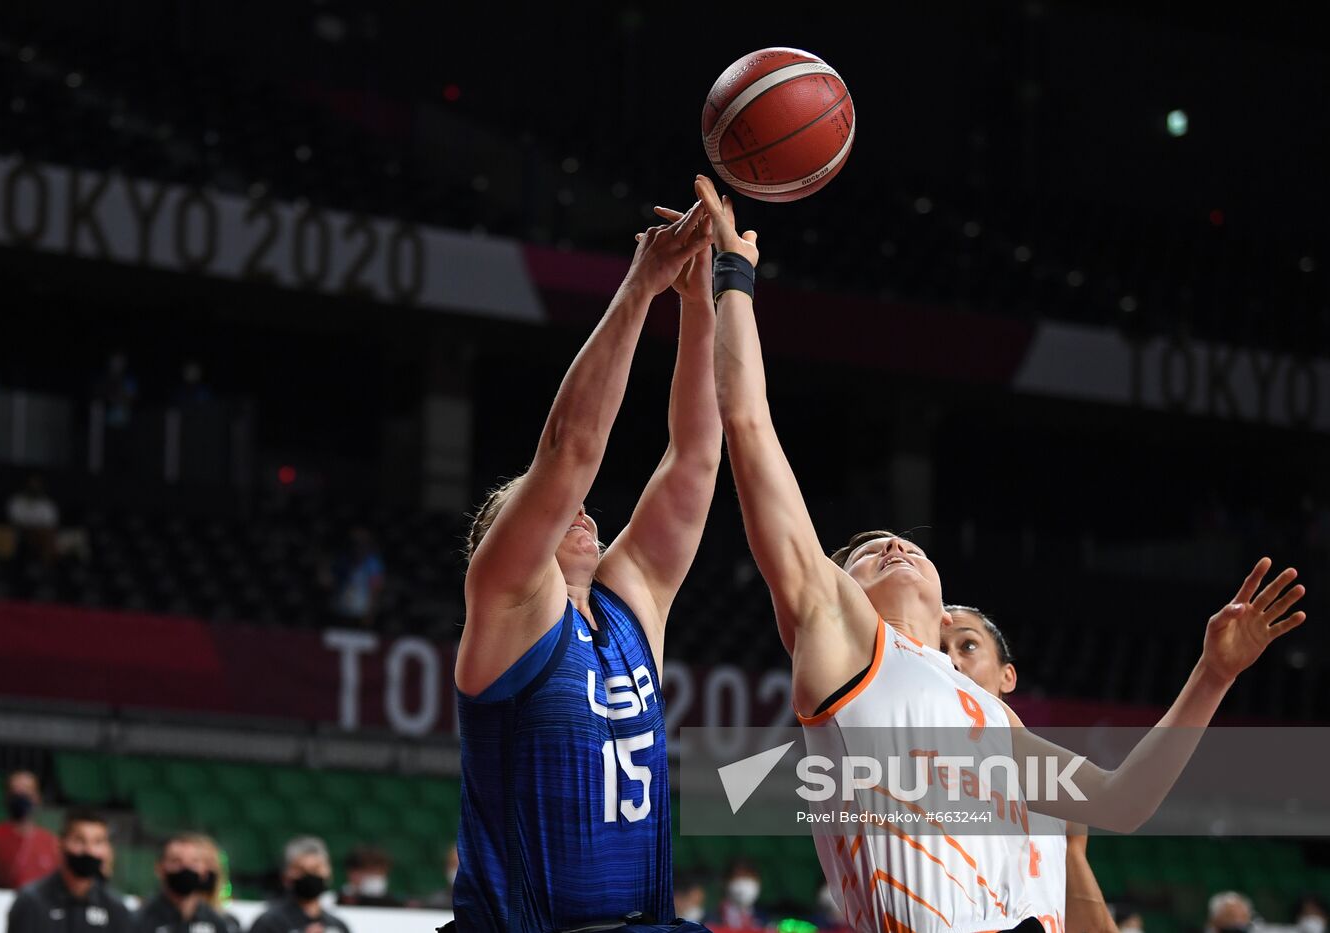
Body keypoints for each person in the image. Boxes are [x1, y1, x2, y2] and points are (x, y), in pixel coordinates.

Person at [697, 172, 1308, 933]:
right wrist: (734, 276)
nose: (892, 545)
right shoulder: (846, 641)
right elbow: (748, 425)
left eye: (902, 543)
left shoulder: (994, 722)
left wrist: (1214, 673)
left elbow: (1123, 802)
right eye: (865, 554)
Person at [455, 199, 716, 933]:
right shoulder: (507, 602)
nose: (576, 509)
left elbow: (696, 458)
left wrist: (700, 304)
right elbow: (569, 451)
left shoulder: (632, 602)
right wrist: (641, 286)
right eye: (537, 506)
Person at [940, 606, 1116, 933]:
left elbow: (1086, 918)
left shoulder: (1053, 785)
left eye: (968, 645)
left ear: (1007, 676)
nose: (950, 660)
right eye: (937, 650)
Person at [5, 808, 130, 933]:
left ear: (107, 849)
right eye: (79, 840)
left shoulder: (116, 910)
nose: (89, 850)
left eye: (98, 842)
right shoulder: (31, 902)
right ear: (60, 844)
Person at [132, 833, 231, 933]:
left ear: (205, 870)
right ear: (160, 868)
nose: (186, 868)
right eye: (176, 861)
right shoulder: (140, 921)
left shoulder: (216, 922)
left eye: (194, 862)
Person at [247, 837, 350, 933]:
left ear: (329, 873)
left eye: (316, 869)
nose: (310, 875)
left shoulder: (338, 927)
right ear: (286, 876)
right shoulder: (268, 923)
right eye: (301, 870)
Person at [0, 771, 60, 889]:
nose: (20, 794)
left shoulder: (51, 842)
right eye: (15, 790)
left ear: (38, 797)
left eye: (27, 789)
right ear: (6, 797)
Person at [6, 475, 60, 564]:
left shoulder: (47, 505)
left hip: (41, 538)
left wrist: (38, 531)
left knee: (48, 537)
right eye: (32, 485)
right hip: (20, 536)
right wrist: (31, 530)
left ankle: (46, 565)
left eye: (37, 485)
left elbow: (51, 526)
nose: (34, 487)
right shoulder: (17, 501)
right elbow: (15, 522)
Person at [196, 835, 243, 933]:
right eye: (197, 862)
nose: (205, 870)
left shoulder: (229, 923)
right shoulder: (167, 920)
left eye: (211, 863)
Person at [710, 859, 768, 931]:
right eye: (738, 877)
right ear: (725, 883)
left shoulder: (766, 920)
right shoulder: (711, 919)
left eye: (749, 877)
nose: (744, 884)